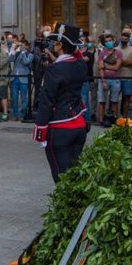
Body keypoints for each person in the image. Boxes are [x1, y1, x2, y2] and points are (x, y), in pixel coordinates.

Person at [33, 24, 88, 183]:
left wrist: (40, 129)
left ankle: (65, 207)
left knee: (61, 176)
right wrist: (72, 43)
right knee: (75, 172)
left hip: (60, 128)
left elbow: (47, 101)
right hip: (79, 126)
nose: (53, 45)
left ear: (60, 46)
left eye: (56, 43)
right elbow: (77, 55)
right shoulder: (80, 64)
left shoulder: (55, 69)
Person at [97, 33, 123, 126]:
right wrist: (103, 80)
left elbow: (116, 67)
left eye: (110, 41)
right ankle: (101, 119)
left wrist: (105, 66)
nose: (108, 42)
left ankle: (114, 119)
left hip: (115, 79)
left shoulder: (118, 53)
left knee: (114, 100)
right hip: (104, 79)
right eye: (107, 41)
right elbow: (100, 68)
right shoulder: (102, 53)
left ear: (113, 41)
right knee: (102, 100)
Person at [9, 39, 34, 121]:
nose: (22, 46)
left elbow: (26, 62)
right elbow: (10, 59)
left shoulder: (30, 55)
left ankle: (23, 114)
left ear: (27, 46)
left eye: (24, 44)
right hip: (14, 78)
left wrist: (23, 52)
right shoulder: (16, 53)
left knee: (24, 98)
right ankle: (16, 116)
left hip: (24, 79)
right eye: (21, 44)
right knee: (14, 98)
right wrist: (13, 49)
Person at [117, 30, 132, 118]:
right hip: (116, 77)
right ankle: (115, 116)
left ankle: (124, 116)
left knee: (127, 96)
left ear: (128, 40)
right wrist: (123, 61)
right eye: (122, 39)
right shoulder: (116, 49)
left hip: (128, 76)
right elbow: (112, 61)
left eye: (125, 39)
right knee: (115, 98)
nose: (123, 40)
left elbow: (131, 62)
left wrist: (119, 62)